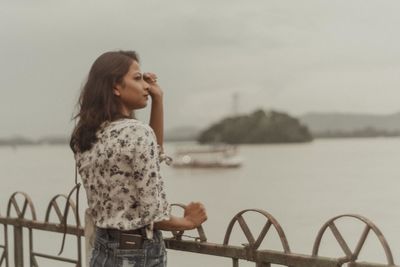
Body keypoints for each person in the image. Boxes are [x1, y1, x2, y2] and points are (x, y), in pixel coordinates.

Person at [70, 50, 207, 267]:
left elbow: (153, 154)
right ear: (115, 87)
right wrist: (188, 221)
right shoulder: (137, 132)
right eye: (137, 78)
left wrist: (157, 100)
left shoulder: (85, 136)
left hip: (102, 248)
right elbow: (155, 214)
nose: (146, 86)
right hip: (137, 253)